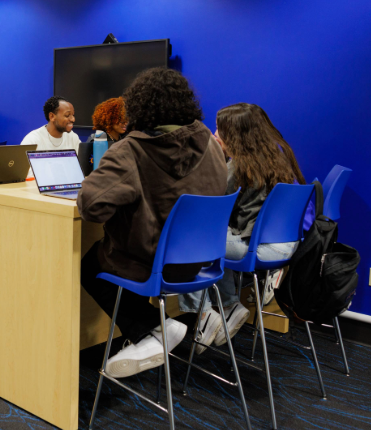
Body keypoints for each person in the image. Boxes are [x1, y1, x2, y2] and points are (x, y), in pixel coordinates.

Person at [78, 68, 228, 379]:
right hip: (202, 264)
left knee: (93, 265)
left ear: (138, 107)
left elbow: (91, 206)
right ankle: (181, 321)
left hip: (152, 264)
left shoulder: (130, 151)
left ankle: (153, 330)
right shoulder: (211, 145)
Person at [178, 103, 306, 354]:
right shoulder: (277, 159)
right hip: (285, 245)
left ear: (235, 135)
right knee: (219, 241)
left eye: (219, 130)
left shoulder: (239, 167)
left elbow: (208, 201)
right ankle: (228, 306)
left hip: (254, 248)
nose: (215, 134)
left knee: (188, 241)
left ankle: (203, 313)